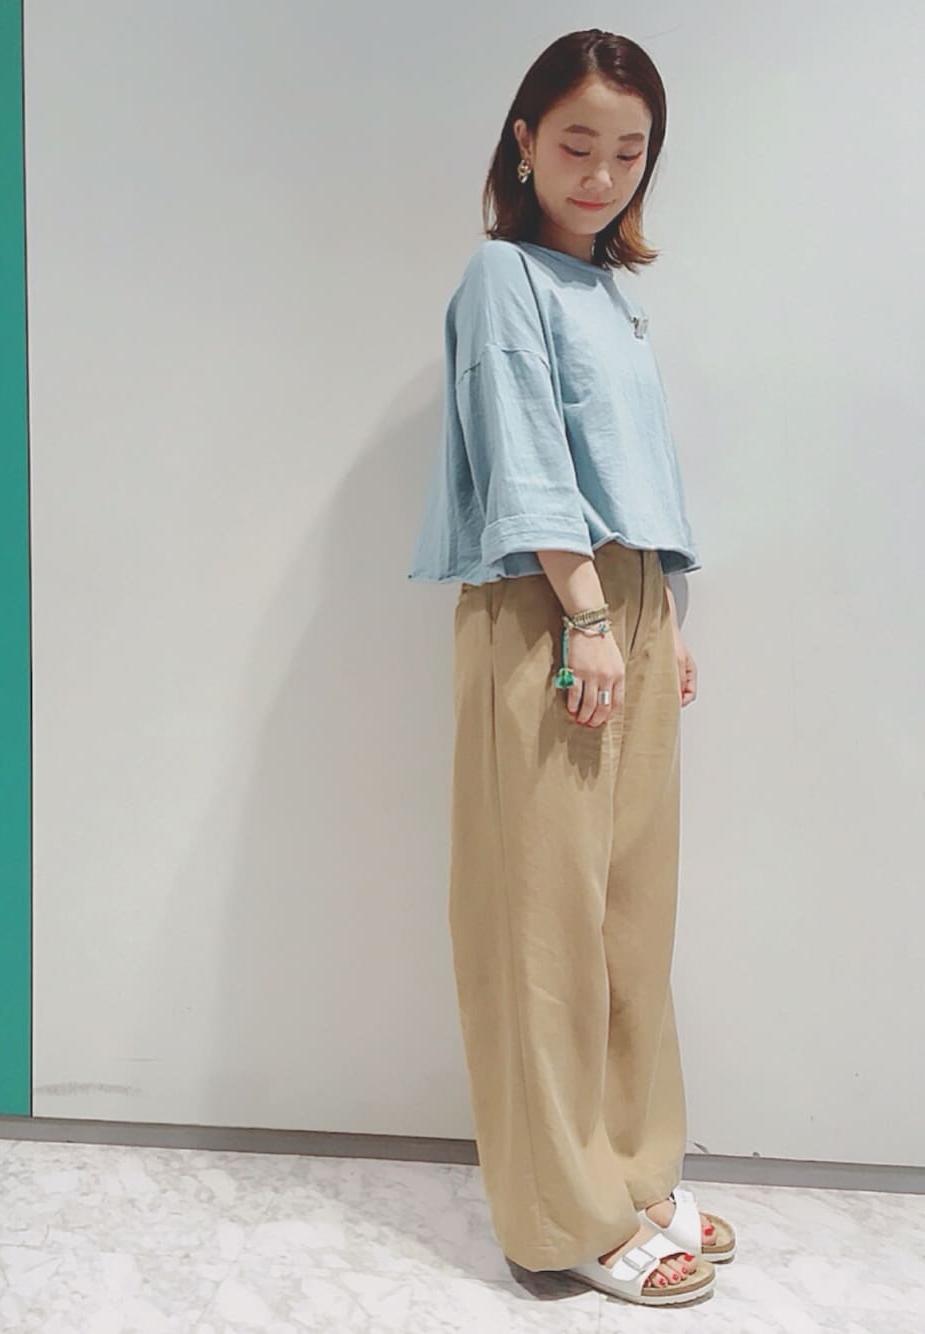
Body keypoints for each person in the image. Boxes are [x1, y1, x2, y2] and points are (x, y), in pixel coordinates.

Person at [407, 29, 737, 1310]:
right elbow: (530, 452)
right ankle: (563, 1212)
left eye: (628, 151)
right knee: (541, 925)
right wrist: (590, 615)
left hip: (626, 603)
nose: (600, 173)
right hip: (552, 602)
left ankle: (633, 1168)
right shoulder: (504, 277)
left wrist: (661, 618)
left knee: (627, 921)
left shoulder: (607, 292)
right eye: (576, 144)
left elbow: (630, 467)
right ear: (523, 142)